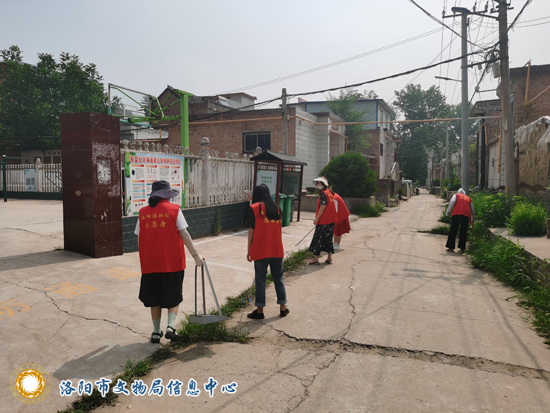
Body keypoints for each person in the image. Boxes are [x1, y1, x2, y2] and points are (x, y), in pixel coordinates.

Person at [134, 180, 204, 343]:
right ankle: (171, 327)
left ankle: (156, 332)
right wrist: (196, 256)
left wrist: (144, 257)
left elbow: (139, 238)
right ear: (166, 195)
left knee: (154, 298)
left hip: (150, 264)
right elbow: (184, 234)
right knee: (173, 295)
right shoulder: (174, 210)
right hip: (172, 263)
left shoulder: (143, 212)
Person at [245, 184, 288, 319]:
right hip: (276, 249)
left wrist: (249, 250)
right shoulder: (277, 209)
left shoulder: (254, 208)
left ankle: (260, 311)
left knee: (260, 280)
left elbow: (251, 232)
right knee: (278, 279)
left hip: (260, 250)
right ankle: (283, 308)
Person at [309, 176, 337, 265]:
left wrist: (317, 218)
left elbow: (323, 206)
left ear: (324, 184)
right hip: (331, 220)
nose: (318, 185)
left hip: (323, 220)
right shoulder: (330, 192)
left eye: (320, 183)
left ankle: (315, 258)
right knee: (328, 238)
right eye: (318, 183)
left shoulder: (324, 193)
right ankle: (329, 257)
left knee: (318, 238)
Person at [445, 188, 475, 253]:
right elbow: (472, 209)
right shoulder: (468, 198)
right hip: (465, 216)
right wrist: (473, 217)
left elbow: (452, 203)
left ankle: (451, 247)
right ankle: (462, 247)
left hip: (456, 214)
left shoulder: (456, 195)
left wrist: (447, 212)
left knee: (453, 230)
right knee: (464, 231)